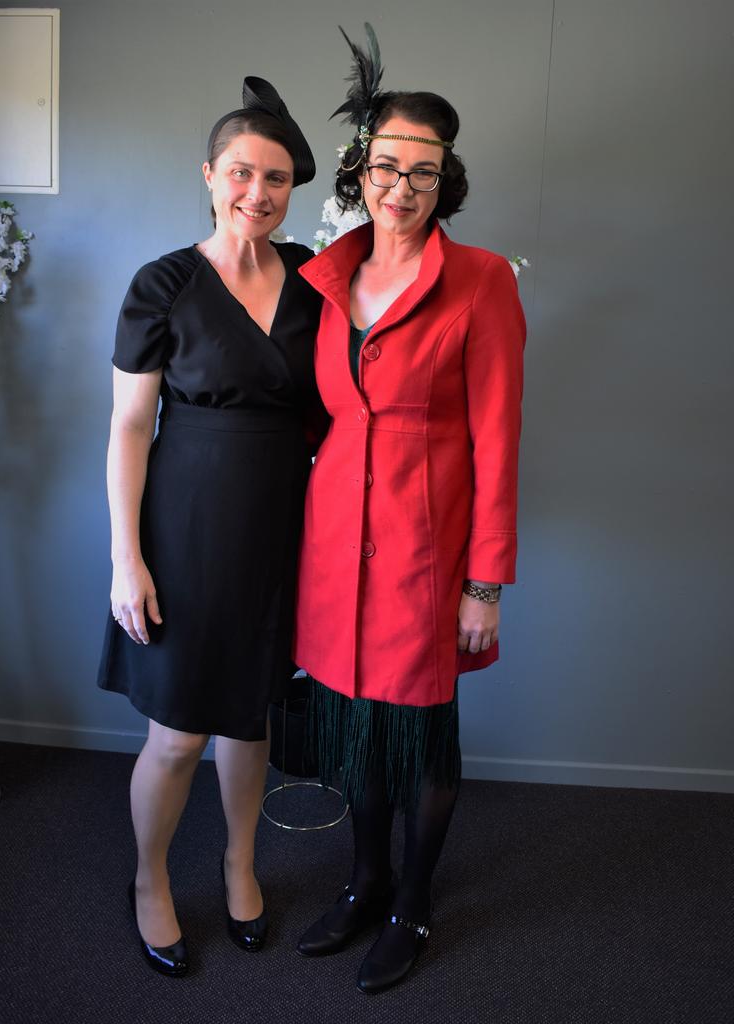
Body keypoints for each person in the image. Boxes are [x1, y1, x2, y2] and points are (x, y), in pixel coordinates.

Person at [293, 26, 526, 994]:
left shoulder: (480, 282)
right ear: (360, 168)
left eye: (423, 171)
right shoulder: (325, 276)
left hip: (428, 554)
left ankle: (412, 903)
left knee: (421, 736)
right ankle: (363, 881)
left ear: (444, 181)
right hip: (333, 545)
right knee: (355, 735)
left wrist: (486, 583)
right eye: (387, 164)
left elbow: (500, 438)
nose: (402, 185)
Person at [97, 77, 321, 976]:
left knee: (250, 715)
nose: (256, 193)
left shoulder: (311, 273)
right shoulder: (164, 281)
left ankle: (239, 863)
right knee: (180, 730)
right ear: (209, 173)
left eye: (274, 178)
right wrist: (126, 559)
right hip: (184, 527)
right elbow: (126, 426)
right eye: (240, 172)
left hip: (280, 523)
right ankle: (149, 878)